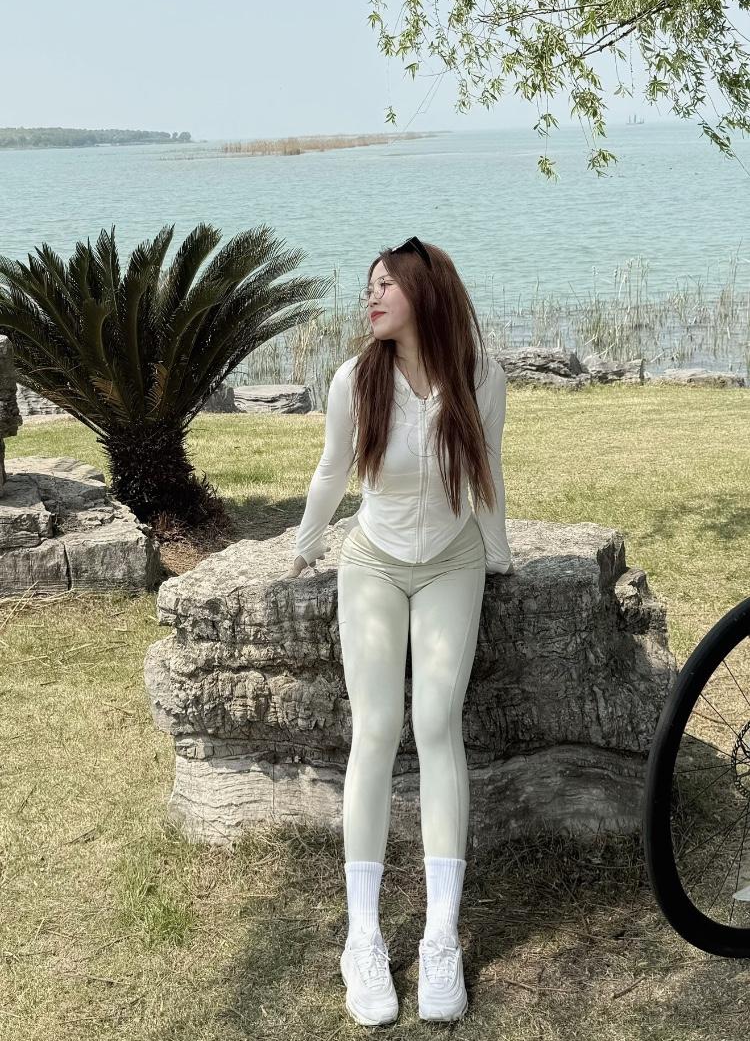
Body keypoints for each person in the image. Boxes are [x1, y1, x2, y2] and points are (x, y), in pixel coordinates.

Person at [284, 235, 514, 1025]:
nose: (371, 297)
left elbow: (487, 466)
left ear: (425, 291)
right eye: (369, 287)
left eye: (385, 285)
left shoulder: (481, 377)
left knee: (437, 722)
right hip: (373, 563)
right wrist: (305, 545)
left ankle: (441, 936)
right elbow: (332, 469)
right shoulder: (356, 379)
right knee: (377, 727)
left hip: (452, 561)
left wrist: (498, 552)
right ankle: (363, 938)